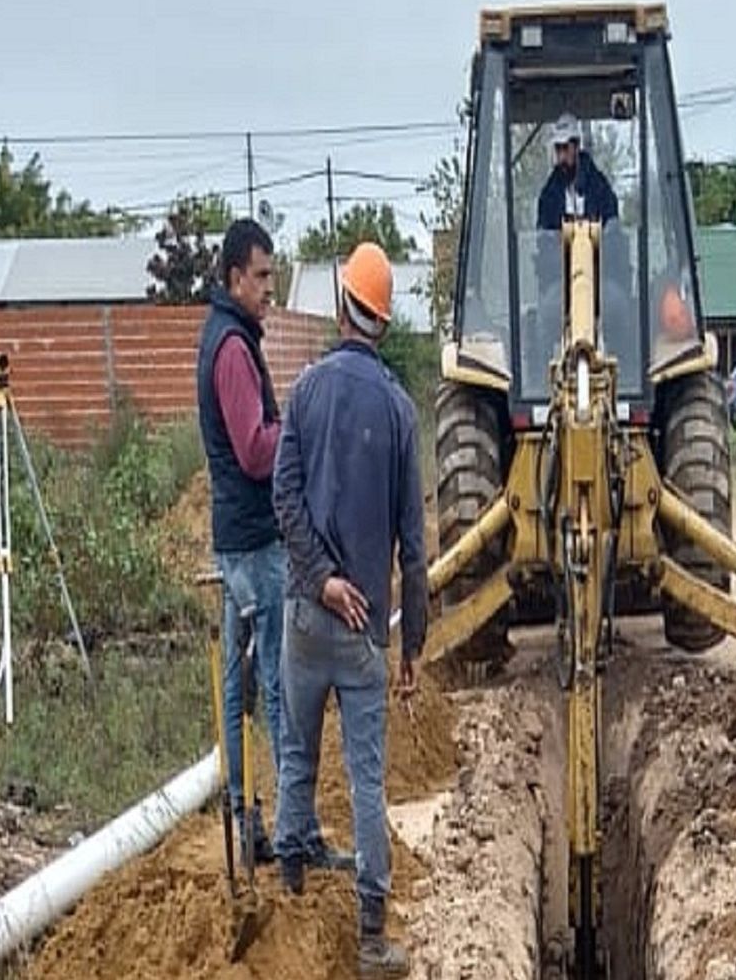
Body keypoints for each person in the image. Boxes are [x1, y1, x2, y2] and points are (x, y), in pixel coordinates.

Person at [272, 241, 427, 978]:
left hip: (306, 615)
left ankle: (291, 892)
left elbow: (285, 498)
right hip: (366, 632)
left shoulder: (304, 392)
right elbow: (414, 544)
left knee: (297, 755)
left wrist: (320, 577)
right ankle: (370, 938)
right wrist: (412, 648)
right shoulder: (398, 411)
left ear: (341, 308)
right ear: (384, 322)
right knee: (366, 779)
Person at [195, 218, 289, 865]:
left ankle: (247, 811)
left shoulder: (228, 338)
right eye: (260, 277)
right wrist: (296, 430)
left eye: (272, 277)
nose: (269, 289)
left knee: (239, 682)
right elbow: (255, 452)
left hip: (242, 538)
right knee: (273, 682)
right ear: (234, 277)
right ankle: (284, 821)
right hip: (253, 543)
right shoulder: (231, 349)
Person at [536, 112, 619, 230]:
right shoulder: (549, 195)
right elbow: (543, 236)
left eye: (565, 147)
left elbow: (613, 229)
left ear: (577, 146)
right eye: (557, 148)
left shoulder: (599, 188)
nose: (561, 156)